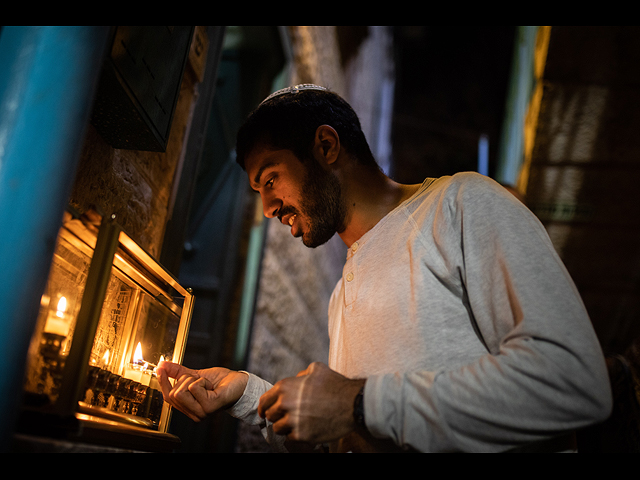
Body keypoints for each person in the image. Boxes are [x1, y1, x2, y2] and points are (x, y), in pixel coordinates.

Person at [157, 84, 612, 452]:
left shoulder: (461, 205)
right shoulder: (342, 295)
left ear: (326, 146)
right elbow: (349, 433)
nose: (269, 208)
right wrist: (247, 395)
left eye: (271, 178)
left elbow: (572, 379)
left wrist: (359, 402)